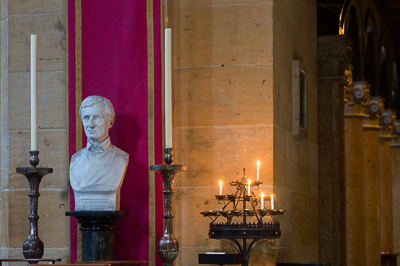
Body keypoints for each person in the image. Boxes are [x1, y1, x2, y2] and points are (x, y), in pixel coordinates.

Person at [70, 95, 129, 211]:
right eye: (86, 118)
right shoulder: (75, 159)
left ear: (110, 122)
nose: (91, 124)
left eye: (97, 117)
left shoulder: (120, 158)